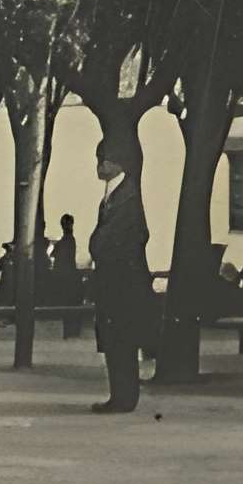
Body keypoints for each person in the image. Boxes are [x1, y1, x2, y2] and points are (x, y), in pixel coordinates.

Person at [86, 154, 159, 414]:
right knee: (117, 340)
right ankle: (121, 395)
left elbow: (115, 237)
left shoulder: (125, 196)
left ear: (119, 162)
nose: (99, 165)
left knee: (121, 340)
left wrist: (97, 246)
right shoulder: (116, 194)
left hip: (121, 282)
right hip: (116, 280)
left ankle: (124, 397)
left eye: (104, 159)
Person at [47, 215, 82, 306]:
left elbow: (53, 254)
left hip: (65, 276)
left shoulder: (63, 242)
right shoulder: (67, 241)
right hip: (67, 276)